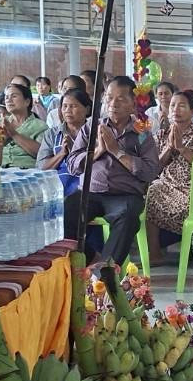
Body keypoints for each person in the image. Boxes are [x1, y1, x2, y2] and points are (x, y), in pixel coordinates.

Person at [65, 76, 160, 263]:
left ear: (133, 104)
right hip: (90, 192)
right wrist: (99, 151)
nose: (113, 103)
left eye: (121, 99)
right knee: (64, 214)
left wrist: (117, 153)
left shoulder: (142, 133)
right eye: (109, 97)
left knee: (128, 218)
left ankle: (104, 274)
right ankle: (93, 257)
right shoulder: (91, 128)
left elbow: (150, 171)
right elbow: (72, 164)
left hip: (124, 195)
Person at [143, 89, 193, 252]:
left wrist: (182, 149)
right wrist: (169, 147)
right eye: (173, 105)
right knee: (151, 193)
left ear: (191, 111)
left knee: (185, 204)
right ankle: (154, 253)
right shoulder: (161, 134)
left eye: (182, 106)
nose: (175, 109)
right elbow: (154, 168)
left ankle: (189, 247)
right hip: (166, 184)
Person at [36, 85, 92, 194]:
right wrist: (61, 154)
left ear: (87, 109)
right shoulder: (52, 134)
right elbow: (41, 168)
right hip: (57, 191)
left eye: (73, 106)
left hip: (88, 189)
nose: (67, 111)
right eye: (64, 106)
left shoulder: (94, 133)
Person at [0, 83, 47, 169]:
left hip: (28, 173)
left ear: (27, 102)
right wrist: (1, 139)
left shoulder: (40, 125)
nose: (8, 100)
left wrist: (14, 134)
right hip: (0, 171)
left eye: (14, 96)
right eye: (6, 97)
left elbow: (42, 154)